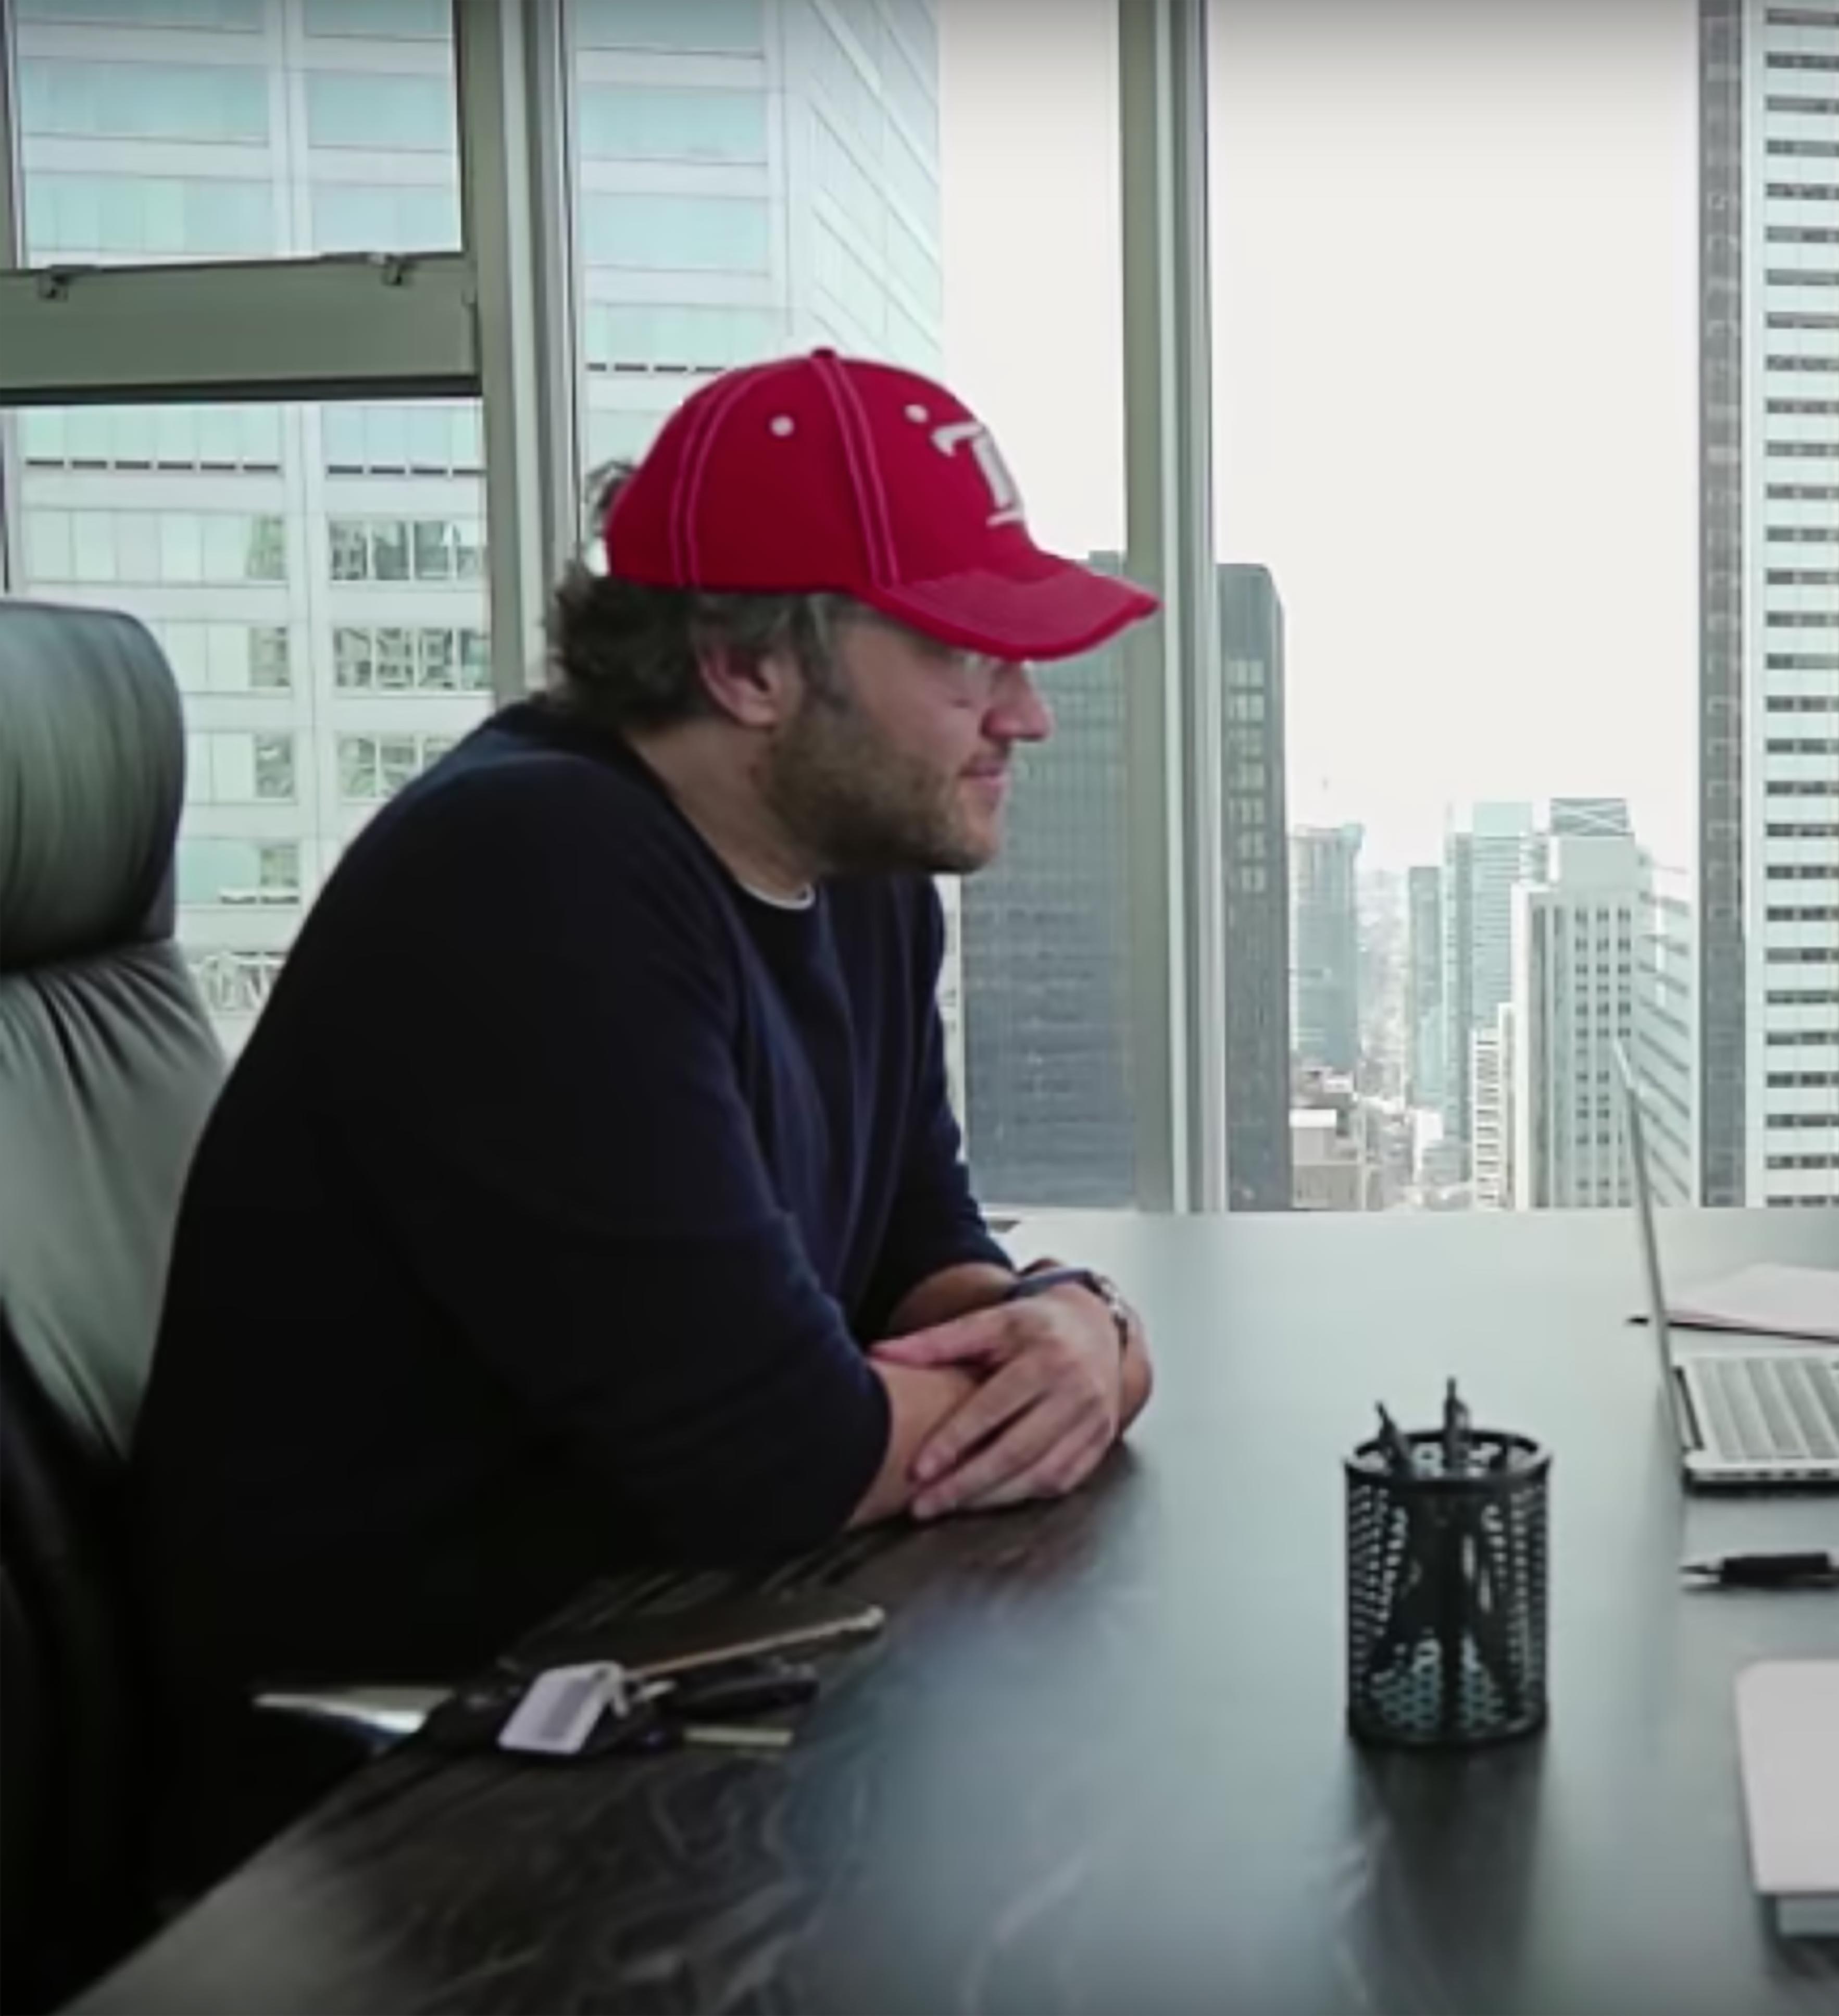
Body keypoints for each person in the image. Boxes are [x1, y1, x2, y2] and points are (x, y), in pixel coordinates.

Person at [129, 349, 1161, 1892]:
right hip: (383, 1796)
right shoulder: (531, 876)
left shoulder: (858, 876)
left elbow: (920, 1256)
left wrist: (1083, 1329)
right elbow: (786, 1458)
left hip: (650, 1667)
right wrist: (1034, 1376)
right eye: (963, 653)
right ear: (747, 666)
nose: (1029, 717)